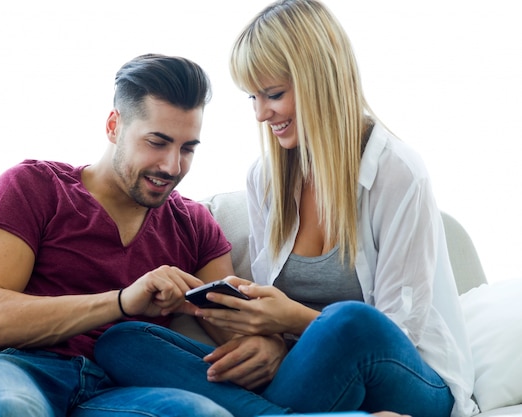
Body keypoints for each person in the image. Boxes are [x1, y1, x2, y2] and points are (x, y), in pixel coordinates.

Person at [93, 2, 479, 417]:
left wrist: (290, 320)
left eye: (273, 94)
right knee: (126, 342)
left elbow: (393, 332)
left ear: (321, 81)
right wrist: (266, 339)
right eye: (253, 98)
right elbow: (270, 311)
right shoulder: (266, 179)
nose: (261, 114)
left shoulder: (397, 172)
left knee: (351, 322)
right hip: (309, 375)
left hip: (406, 377)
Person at [0, 53, 249, 417]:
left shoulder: (193, 224)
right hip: (9, 367)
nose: (172, 166)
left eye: (187, 148)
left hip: (114, 391)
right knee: (12, 409)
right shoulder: (34, 186)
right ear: (114, 126)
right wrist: (122, 301)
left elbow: (240, 329)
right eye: (157, 142)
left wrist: (267, 348)